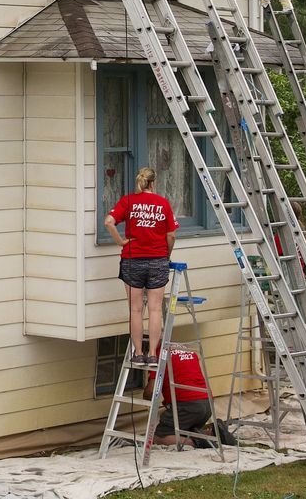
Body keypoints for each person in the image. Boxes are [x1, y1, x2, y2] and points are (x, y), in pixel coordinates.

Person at [106, 166, 178, 371]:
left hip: (132, 260)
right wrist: (166, 254)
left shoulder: (128, 201)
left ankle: (138, 354)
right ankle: (153, 355)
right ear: (153, 183)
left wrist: (121, 241)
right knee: (155, 309)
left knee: (135, 310)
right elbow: (171, 235)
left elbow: (109, 221)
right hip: (157, 260)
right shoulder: (163, 203)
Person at [148, 345, 239, 448]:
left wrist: (146, 395)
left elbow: (151, 392)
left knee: (160, 436)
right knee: (183, 430)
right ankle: (213, 433)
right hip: (207, 402)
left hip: (187, 405)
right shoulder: (185, 349)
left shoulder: (156, 355)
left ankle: (197, 443)